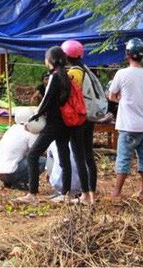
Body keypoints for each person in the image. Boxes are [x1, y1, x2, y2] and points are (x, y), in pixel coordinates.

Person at [15, 46, 92, 205]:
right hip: (65, 124)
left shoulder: (55, 77)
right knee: (64, 158)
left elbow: (46, 101)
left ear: (49, 60)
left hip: (53, 124)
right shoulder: (66, 75)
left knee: (33, 155)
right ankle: (65, 193)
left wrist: (32, 118)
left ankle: (32, 194)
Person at [107, 38, 143, 201]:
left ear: (127, 55)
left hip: (128, 125)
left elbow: (112, 95)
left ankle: (117, 192)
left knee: (124, 157)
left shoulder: (121, 73)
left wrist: (121, 98)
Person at [62, 39, 98, 203]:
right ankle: (92, 192)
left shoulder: (74, 73)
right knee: (88, 155)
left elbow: (69, 93)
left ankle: (85, 195)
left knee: (79, 156)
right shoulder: (86, 70)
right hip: (89, 116)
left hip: (80, 118)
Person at [0, 107, 45, 191]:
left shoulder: (12, 129)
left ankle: (10, 182)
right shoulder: (30, 132)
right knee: (42, 161)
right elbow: (36, 151)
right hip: (11, 173)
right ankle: (20, 181)